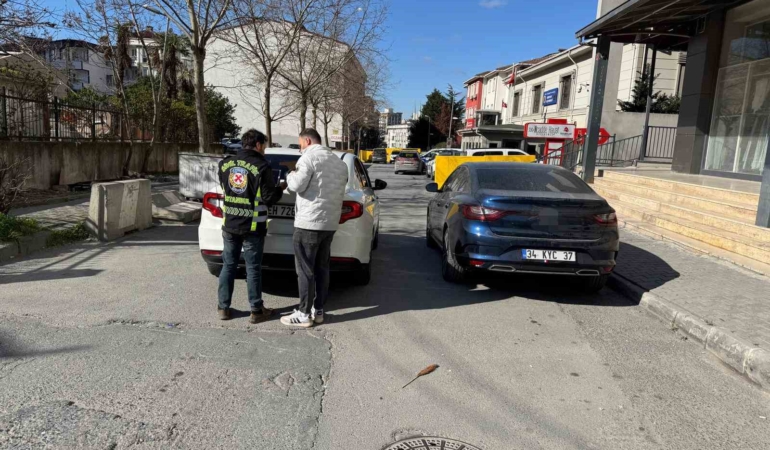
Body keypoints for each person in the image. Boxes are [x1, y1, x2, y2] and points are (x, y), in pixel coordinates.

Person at [281, 128, 348, 328]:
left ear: (308, 141)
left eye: (301, 143)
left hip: (309, 223)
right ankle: (318, 310)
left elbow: (296, 186)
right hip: (329, 223)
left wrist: (290, 174)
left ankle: (303, 314)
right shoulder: (339, 162)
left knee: (305, 269)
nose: (300, 147)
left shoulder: (308, 158)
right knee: (322, 268)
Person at [217, 129, 284, 323]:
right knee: (253, 267)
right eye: (264, 145)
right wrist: (280, 188)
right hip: (252, 227)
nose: (264, 149)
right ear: (257, 145)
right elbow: (270, 198)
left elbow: (228, 189)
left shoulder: (225, 164)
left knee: (228, 266)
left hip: (229, 224)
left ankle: (223, 308)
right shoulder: (262, 166)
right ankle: (256, 310)